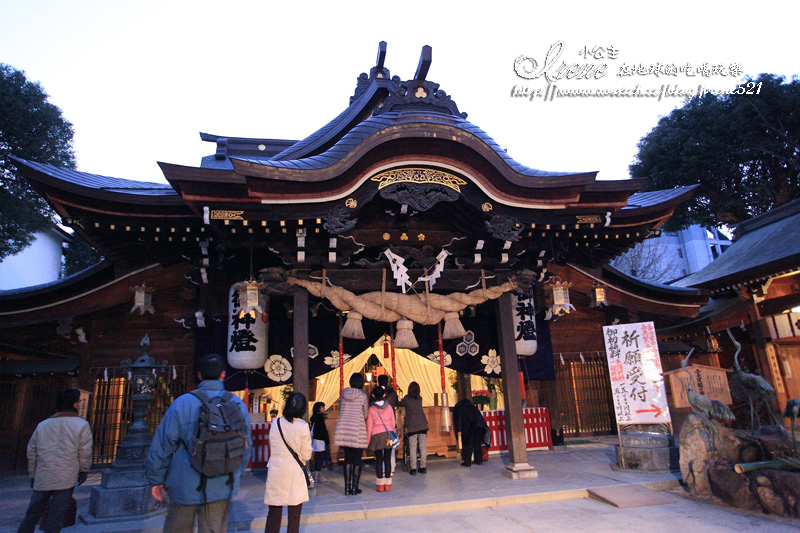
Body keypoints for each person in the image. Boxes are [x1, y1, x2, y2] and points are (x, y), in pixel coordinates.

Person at [146, 353, 251, 533]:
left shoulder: (182, 403)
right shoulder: (237, 405)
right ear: (223, 375)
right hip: (222, 483)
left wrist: (156, 478)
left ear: (200, 375)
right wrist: (236, 473)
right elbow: (245, 446)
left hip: (184, 483)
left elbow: (163, 445)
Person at [17, 388, 92, 533]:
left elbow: (32, 452)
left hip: (43, 475)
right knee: (56, 516)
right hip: (66, 475)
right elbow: (85, 452)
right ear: (75, 404)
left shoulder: (43, 425)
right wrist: (84, 470)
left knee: (32, 513)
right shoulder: (81, 425)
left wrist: (32, 473)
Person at [264, 392, 312, 533]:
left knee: (274, 513)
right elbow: (306, 454)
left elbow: (272, 445)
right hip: (294, 472)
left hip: (277, 470)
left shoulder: (276, 423)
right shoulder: (303, 426)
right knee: (294, 514)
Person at [333, 373, 368, 495]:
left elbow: (341, 409)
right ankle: (354, 487)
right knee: (357, 459)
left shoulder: (343, 394)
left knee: (347, 458)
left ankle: (347, 488)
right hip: (357, 428)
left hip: (345, 428)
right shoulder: (363, 396)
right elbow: (365, 414)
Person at [366, 387, 396, 492]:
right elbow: (393, 422)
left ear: (373, 395)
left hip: (376, 436)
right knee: (387, 459)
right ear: (384, 395)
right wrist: (391, 433)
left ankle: (380, 484)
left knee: (379, 460)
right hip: (388, 435)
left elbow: (369, 426)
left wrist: (368, 441)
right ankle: (387, 484)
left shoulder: (371, 409)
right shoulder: (389, 407)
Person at [397, 381, 428, 475]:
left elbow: (398, 404)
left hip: (412, 426)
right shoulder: (420, 399)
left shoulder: (406, 399)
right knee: (422, 447)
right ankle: (423, 467)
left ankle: (413, 468)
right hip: (423, 424)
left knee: (413, 447)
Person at [453, 399, 489, 467]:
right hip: (479, 427)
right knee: (477, 444)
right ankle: (478, 460)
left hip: (468, 428)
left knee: (467, 445)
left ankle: (467, 462)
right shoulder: (473, 407)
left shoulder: (460, 408)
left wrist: (459, 430)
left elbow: (459, 419)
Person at [376, 374, 398, 474]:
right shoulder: (393, 393)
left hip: (379, 424)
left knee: (380, 447)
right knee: (390, 447)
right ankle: (391, 468)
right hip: (390, 423)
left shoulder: (375, 392)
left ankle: (383, 469)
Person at [309, 401, 330, 484]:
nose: (324, 409)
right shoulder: (320, 418)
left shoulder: (314, 417)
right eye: (323, 407)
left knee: (317, 456)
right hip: (320, 439)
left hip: (315, 439)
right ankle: (317, 474)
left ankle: (315, 473)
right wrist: (326, 439)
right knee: (321, 456)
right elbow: (323, 430)